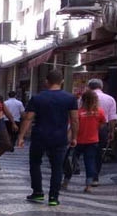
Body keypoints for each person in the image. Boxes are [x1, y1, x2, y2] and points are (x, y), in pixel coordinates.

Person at [16, 69, 79, 206]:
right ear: (62, 81)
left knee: (35, 164)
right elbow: (74, 119)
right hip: (60, 137)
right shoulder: (70, 98)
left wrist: (21, 136)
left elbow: (28, 118)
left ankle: (37, 192)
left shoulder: (37, 98)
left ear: (46, 82)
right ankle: (53, 197)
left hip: (39, 136)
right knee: (57, 167)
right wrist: (74, 137)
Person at [69, 90, 106, 193]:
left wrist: (72, 138)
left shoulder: (78, 112)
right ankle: (89, 185)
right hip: (93, 141)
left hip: (78, 140)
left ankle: (66, 181)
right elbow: (103, 124)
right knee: (90, 162)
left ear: (82, 100)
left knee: (72, 161)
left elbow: (72, 125)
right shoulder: (100, 112)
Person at [85, 78, 117, 186]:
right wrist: (112, 131)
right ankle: (95, 177)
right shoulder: (110, 99)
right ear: (101, 87)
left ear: (89, 87)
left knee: (86, 152)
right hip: (102, 127)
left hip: (86, 126)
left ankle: (87, 175)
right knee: (98, 152)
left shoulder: (84, 97)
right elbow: (113, 117)